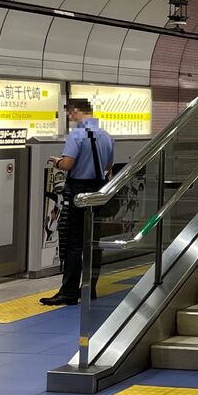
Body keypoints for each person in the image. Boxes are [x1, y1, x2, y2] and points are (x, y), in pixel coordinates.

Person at [41, 98, 114, 306]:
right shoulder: (107, 136)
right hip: (99, 191)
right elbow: (109, 166)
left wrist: (58, 162)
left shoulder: (77, 135)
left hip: (79, 192)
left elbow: (69, 163)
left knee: (74, 242)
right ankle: (90, 288)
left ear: (75, 112)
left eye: (70, 114)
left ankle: (69, 292)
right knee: (93, 241)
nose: (70, 118)